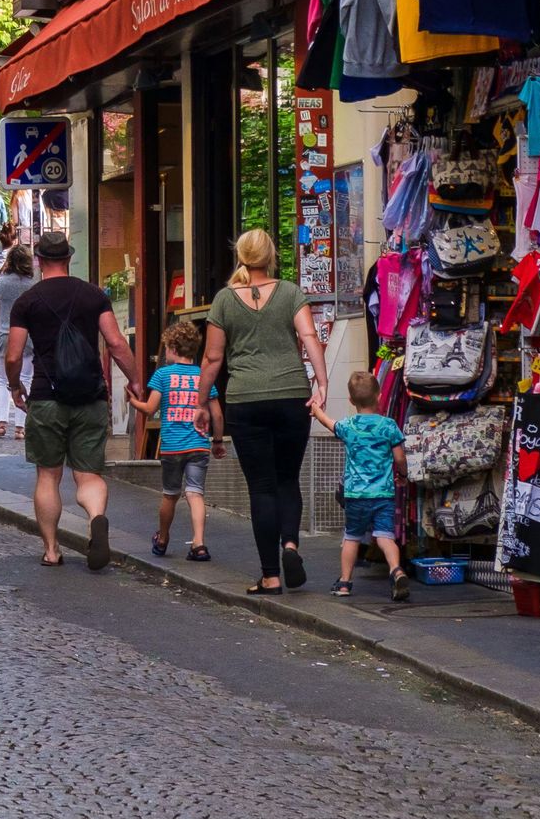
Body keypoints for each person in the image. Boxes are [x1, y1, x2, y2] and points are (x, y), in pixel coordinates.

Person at [195, 227, 329, 596]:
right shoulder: (290, 293)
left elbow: (213, 357)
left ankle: (270, 576)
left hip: (245, 401)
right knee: (288, 478)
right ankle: (290, 545)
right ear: (271, 256)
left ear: (240, 256)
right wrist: (322, 384)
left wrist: (202, 402)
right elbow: (309, 338)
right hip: (291, 398)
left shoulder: (224, 300)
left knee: (262, 488)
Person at [3, 231, 143, 570]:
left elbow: (13, 355)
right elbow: (116, 343)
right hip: (90, 395)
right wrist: (137, 380)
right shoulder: (93, 295)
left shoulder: (28, 302)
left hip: (46, 397)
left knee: (48, 476)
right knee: (89, 473)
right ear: (68, 258)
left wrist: (14, 387)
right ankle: (96, 517)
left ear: (39, 260)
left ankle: (52, 549)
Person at [312, 370, 410, 601]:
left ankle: (345, 583)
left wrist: (316, 408)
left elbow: (327, 422)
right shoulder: (389, 426)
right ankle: (396, 570)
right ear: (379, 395)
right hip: (383, 494)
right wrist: (403, 475)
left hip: (355, 494)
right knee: (386, 537)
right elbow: (399, 458)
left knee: (352, 537)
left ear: (351, 400)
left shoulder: (349, 426)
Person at [130, 317, 221, 562]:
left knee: (170, 494)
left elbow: (150, 409)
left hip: (172, 446)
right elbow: (217, 413)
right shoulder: (204, 376)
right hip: (199, 444)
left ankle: (163, 539)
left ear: (171, 348)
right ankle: (199, 543)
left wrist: (132, 401)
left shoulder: (163, 375)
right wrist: (218, 441)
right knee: (195, 493)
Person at [0, 242, 34, 437]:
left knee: (1, 380)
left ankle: (1, 423)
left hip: (4, 334)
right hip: (27, 335)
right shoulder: (32, 284)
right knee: (25, 379)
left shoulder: (2, 283)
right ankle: (20, 427)